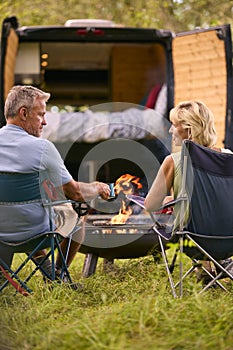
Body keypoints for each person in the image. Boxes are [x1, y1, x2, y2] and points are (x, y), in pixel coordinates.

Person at [0, 85, 110, 284]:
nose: (44, 121)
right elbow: (75, 192)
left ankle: (49, 271)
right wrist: (97, 187)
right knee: (77, 214)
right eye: (40, 114)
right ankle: (58, 275)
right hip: (34, 233)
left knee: (26, 212)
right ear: (23, 113)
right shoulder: (42, 148)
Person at [144, 100, 233, 282]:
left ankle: (206, 268)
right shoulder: (229, 157)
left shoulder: (173, 161)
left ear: (189, 130)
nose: (170, 131)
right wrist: (177, 198)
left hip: (193, 241)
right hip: (230, 240)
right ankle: (215, 265)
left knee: (182, 220)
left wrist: (169, 200)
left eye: (174, 126)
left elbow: (151, 205)